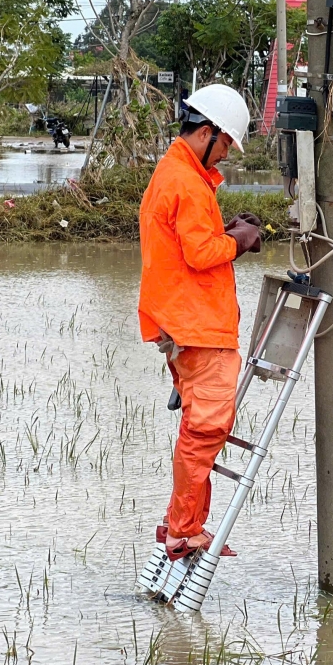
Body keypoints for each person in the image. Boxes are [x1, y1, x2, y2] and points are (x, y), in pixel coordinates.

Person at [138, 84, 263, 562]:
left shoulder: (177, 174)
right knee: (206, 429)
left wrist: (228, 230)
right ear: (207, 132)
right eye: (228, 142)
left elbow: (187, 241)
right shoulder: (187, 182)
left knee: (199, 426)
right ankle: (184, 530)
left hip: (182, 321)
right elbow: (200, 252)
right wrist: (240, 241)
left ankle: (181, 524)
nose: (228, 153)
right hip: (197, 325)